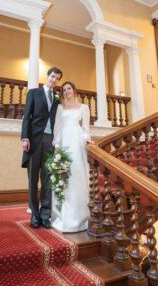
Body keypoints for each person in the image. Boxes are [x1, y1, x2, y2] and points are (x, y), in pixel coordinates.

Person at [21, 67, 63, 229]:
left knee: (48, 178)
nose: (54, 80)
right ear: (47, 76)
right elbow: (27, 116)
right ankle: (35, 215)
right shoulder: (34, 93)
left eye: (57, 78)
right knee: (33, 178)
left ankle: (45, 214)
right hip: (34, 139)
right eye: (52, 76)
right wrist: (25, 137)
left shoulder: (57, 98)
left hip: (50, 140)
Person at [51, 82, 94, 233]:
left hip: (76, 142)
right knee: (63, 175)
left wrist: (87, 138)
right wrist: (57, 145)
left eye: (69, 88)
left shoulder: (84, 108)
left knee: (76, 174)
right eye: (64, 90)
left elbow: (85, 128)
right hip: (64, 141)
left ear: (74, 90)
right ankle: (62, 215)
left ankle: (80, 216)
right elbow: (57, 127)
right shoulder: (60, 108)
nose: (67, 91)